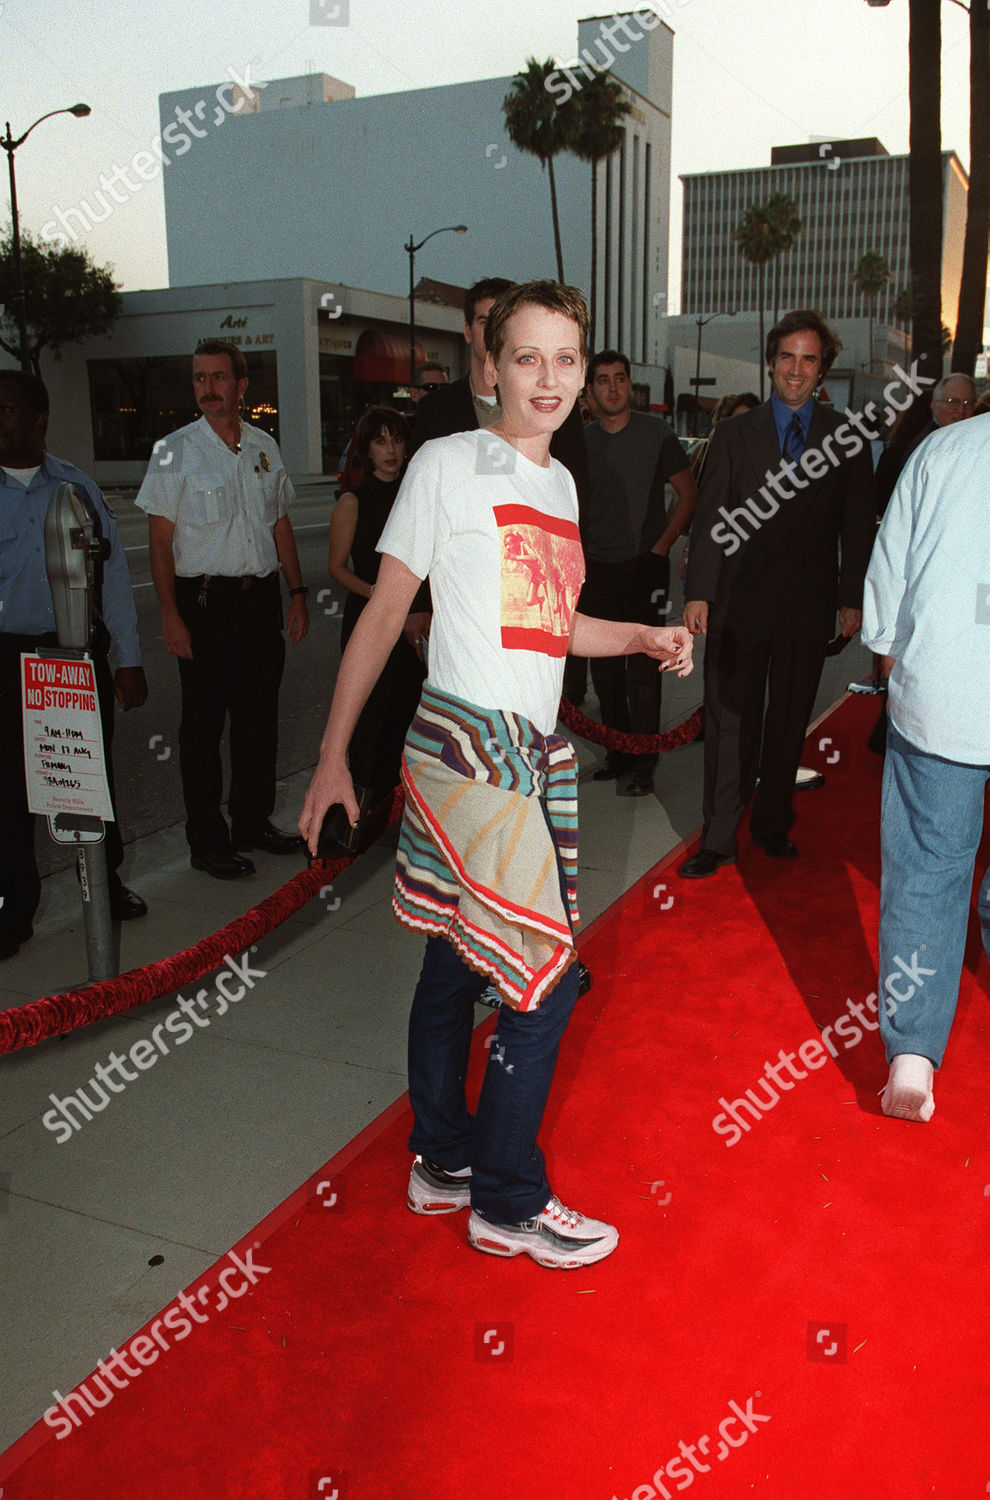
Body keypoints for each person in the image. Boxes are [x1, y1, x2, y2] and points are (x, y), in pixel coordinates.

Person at [299, 281, 693, 1269]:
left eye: (567, 358)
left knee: (455, 957)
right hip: (464, 750)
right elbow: (385, 612)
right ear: (491, 366)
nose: (549, 378)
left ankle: (442, 1159)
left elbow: (552, 628)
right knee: (544, 978)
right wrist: (332, 756)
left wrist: (640, 636)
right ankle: (508, 1200)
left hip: (526, 754)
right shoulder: (447, 462)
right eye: (528, 358)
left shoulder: (561, 485)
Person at [679, 309, 875, 878]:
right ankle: (718, 838)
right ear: (770, 363)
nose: (796, 369)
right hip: (737, 606)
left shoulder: (847, 439)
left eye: (808, 359)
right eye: (787, 357)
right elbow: (711, 520)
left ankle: (771, 824)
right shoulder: (734, 434)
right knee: (728, 726)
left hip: (806, 606)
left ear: (822, 369)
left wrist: (851, 597)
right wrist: (699, 592)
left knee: (789, 724)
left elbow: (857, 525)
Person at [137, 338, 309, 880]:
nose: (207, 388)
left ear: (241, 385)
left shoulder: (263, 446)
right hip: (204, 604)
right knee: (202, 729)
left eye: (217, 377)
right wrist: (170, 616)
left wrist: (297, 592)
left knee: (258, 723)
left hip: (258, 602)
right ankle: (208, 841)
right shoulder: (173, 451)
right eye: (199, 378)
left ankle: (251, 823)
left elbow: (279, 522)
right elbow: (159, 543)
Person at [861, 411, 990, 1122]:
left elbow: (893, 561)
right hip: (944, 691)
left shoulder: (943, 449)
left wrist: (886, 647)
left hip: (944, 692)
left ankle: (911, 1059)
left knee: (927, 872)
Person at [0, 370, 148, 959]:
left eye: (7, 409)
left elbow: (113, 578)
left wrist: (128, 660)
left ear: (39, 419)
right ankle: (13, 908)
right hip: (5, 656)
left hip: (71, 655)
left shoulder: (75, 488)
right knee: (8, 787)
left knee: (86, 777)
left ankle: (103, 885)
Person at [581, 350, 698, 796]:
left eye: (620, 379)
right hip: (596, 569)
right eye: (603, 380)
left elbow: (688, 494)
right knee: (606, 671)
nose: (612, 388)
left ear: (630, 385)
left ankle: (644, 762)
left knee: (645, 668)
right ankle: (618, 752)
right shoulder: (580, 441)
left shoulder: (657, 434)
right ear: (590, 391)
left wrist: (661, 548)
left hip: (645, 567)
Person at [327, 406, 427, 805]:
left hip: (414, 623)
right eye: (380, 441)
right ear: (366, 450)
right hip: (370, 620)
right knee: (369, 721)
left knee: (408, 718)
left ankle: (400, 810)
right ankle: (361, 812)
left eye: (397, 440)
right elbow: (336, 567)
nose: (390, 450)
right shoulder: (353, 502)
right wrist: (379, 594)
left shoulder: (417, 498)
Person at [874, 372, 975, 516]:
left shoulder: (967, 444)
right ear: (934, 406)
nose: (961, 410)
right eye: (953, 402)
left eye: (968, 403)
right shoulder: (928, 445)